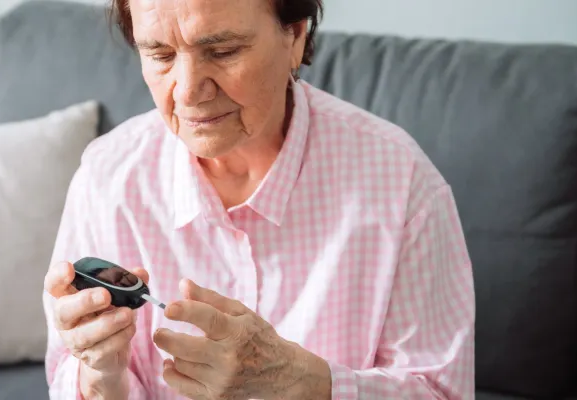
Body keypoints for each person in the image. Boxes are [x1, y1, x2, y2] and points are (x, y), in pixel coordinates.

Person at [42, 0, 476, 398]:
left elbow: (441, 392)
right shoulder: (108, 178)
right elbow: (69, 374)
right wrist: (100, 376)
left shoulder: (400, 182)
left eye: (223, 51)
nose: (188, 91)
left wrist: (304, 383)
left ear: (296, 36)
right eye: (160, 56)